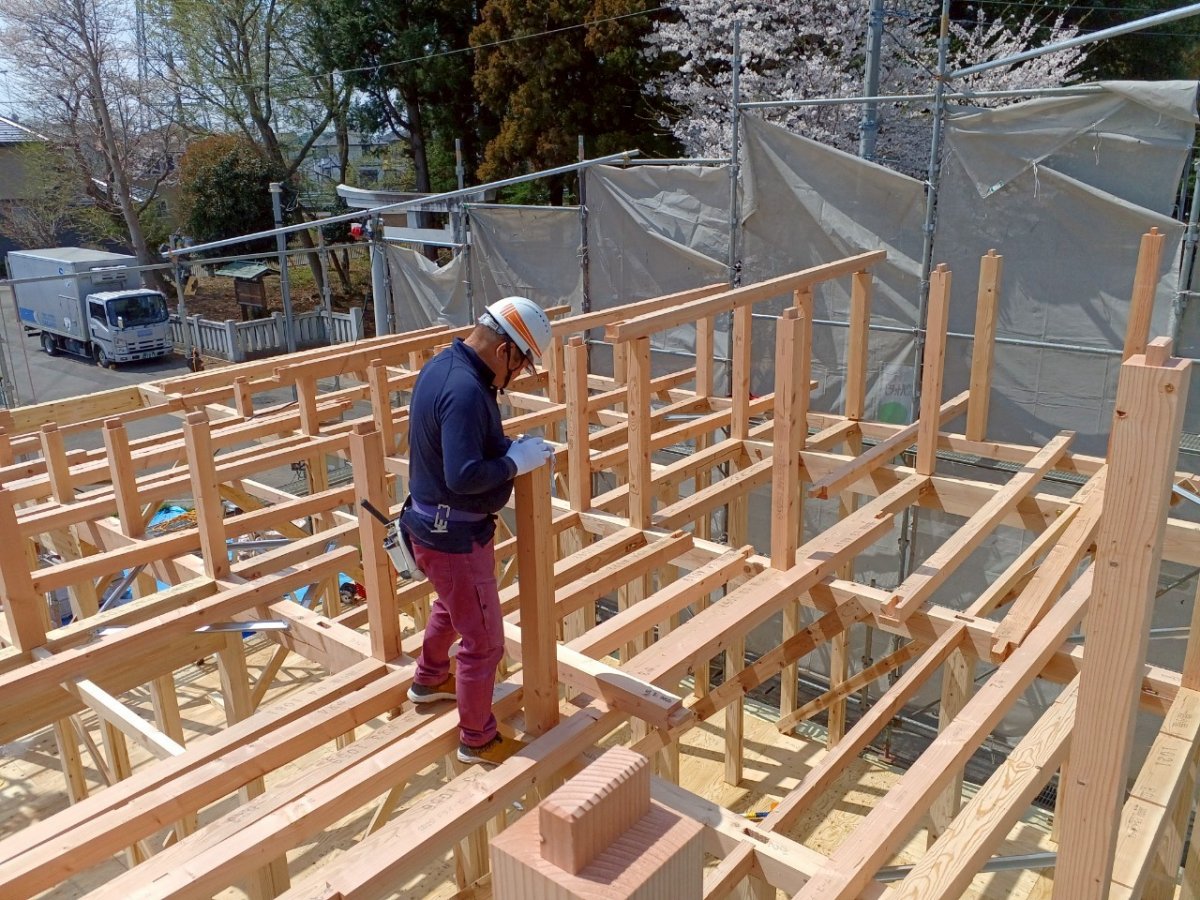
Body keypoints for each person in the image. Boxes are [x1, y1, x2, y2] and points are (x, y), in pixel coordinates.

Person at [401, 296, 555, 766]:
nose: (519, 375)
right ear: (505, 350)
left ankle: (429, 680)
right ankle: (477, 738)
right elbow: (464, 474)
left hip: (430, 526)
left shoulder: (444, 367)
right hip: (454, 538)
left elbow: (460, 442)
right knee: (485, 642)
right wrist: (512, 463)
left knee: (452, 606)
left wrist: (507, 446)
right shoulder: (466, 391)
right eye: (522, 364)